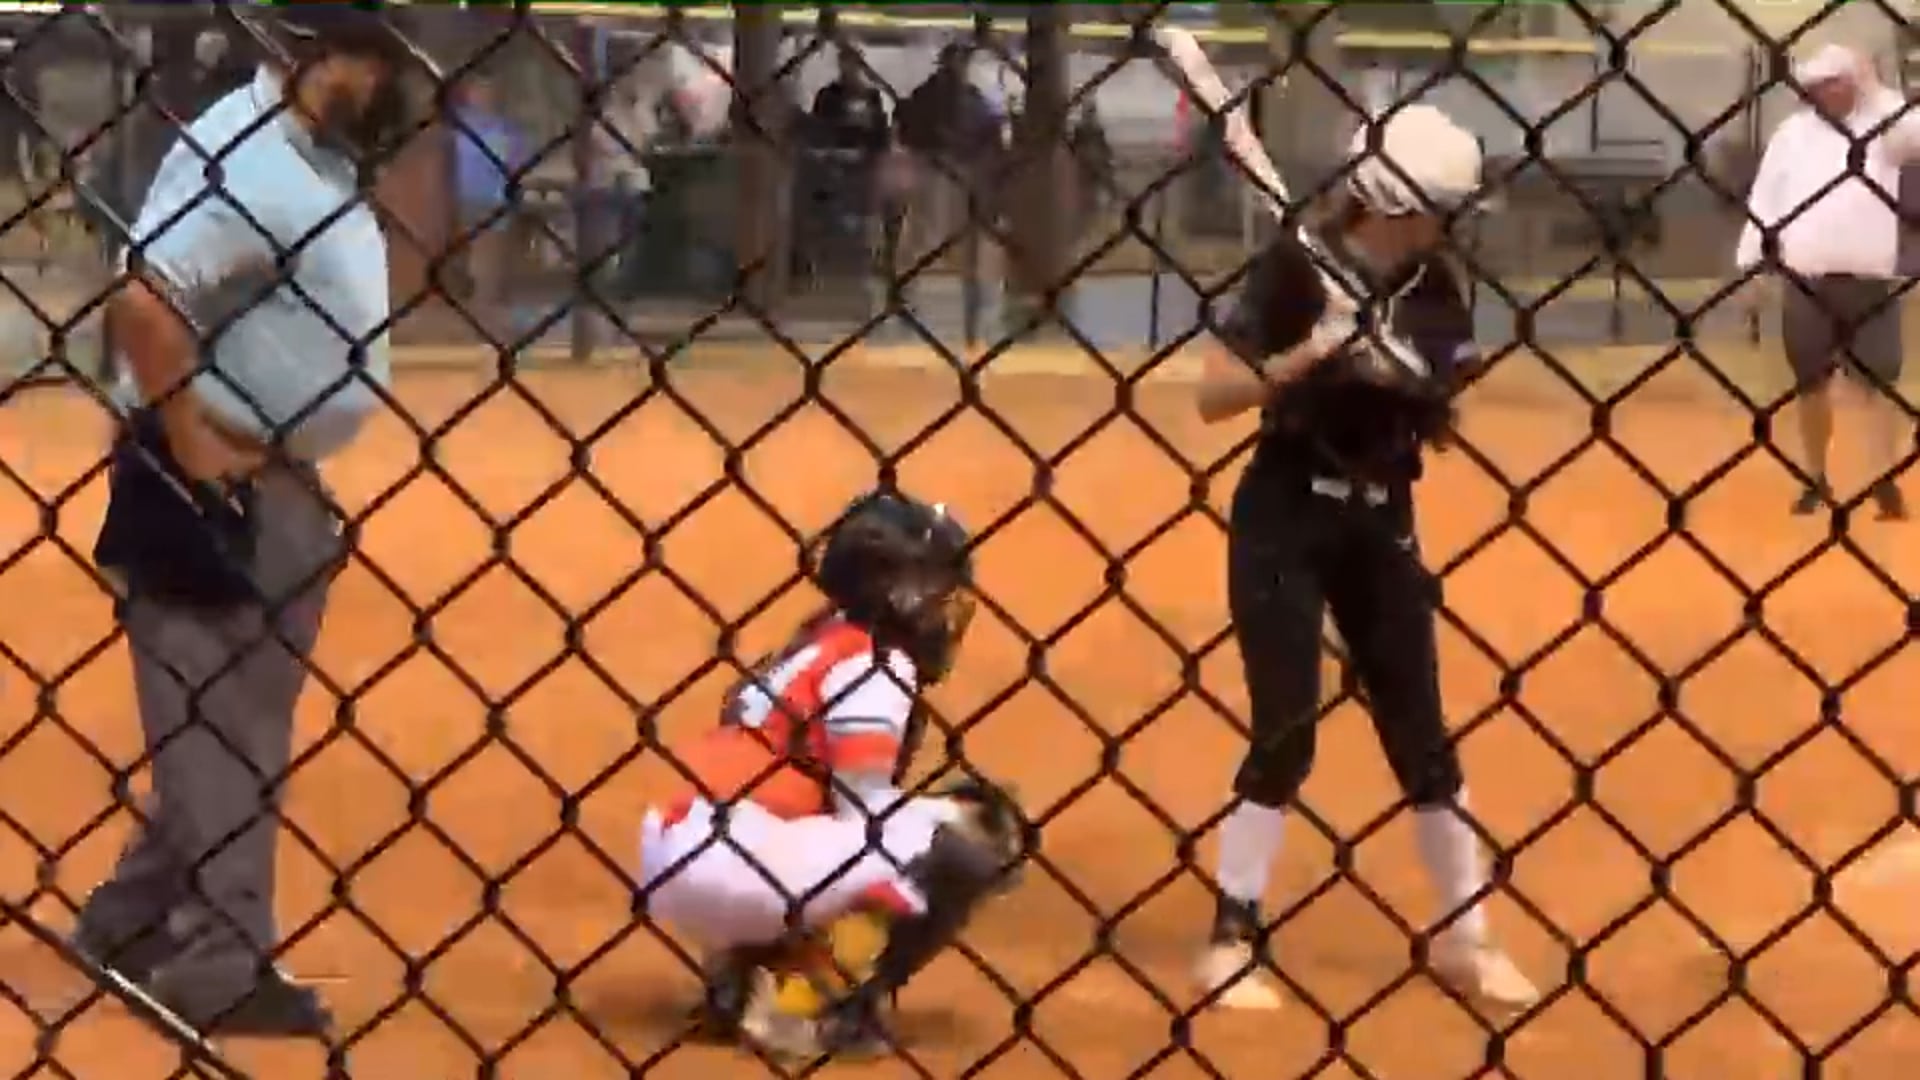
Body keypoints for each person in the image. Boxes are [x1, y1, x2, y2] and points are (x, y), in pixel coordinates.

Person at [72, 1, 423, 1039]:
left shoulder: (309, 154)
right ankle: (221, 962)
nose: (398, 92)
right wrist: (193, 445)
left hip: (269, 478)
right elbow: (144, 301)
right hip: (212, 481)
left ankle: (130, 920)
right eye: (381, 66)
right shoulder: (254, 162)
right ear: (320, 57)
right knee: (225, 729)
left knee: (228, 723)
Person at [1190, 105, 1540, 1013]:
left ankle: (1467, 935)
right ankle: (1231, 936)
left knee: (1420, 731)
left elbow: (1442, 397)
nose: (1450, 226)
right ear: (1396, 202)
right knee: (1287, 728)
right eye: (1440, 209)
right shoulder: (1292, 271)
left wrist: (1395, 368)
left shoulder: (1434, 283)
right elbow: (1212, 396)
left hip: (1382, 521)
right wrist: (1313, 353)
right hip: (1284, 514)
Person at [638, 492, 1020, 1061]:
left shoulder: (817, 639)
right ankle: (805, 1005)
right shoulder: (876, 664)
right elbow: (863, 810)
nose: (945, 608)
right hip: (737, 857)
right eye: (937, 589)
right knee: (962, 843)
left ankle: (740, 977)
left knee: (841, 837)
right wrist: (957, 818)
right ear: (895, 590)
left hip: (685, 847)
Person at [1737, 43, 1920, 519]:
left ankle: (1883, 479)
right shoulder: (1792, 135)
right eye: (1820, 84)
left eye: (1837, 81)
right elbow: (1765, 200)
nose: (1827, 91)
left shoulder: (1883, 128)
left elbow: (1915, 139)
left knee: (1879, 382)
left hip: (1869, 276)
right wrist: (1752, 265)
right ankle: (1814, 476)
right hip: (1806, 276)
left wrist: (1877, 89)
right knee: (1811, 383)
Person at [892, 41, 1007, 338]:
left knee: (961, 240)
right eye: (958, 60)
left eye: (964, 61)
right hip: (934, 166)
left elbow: (989, 135)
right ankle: (907, 295)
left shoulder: (971, 96)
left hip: (962, 170)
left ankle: (973, 297)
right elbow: (907, 129)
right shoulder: (929, 95)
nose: (961, 67)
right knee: (921, 237)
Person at [450, 75, 526, 316]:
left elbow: (518, 162)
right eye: (477, 92)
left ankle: (486, 304)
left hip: (493, 197)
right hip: (461, 196)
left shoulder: (506, 129)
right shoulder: (457, 125)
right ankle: (478, 303)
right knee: (467, 251)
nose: (481, 97)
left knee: (487, 253)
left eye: (486, 92)